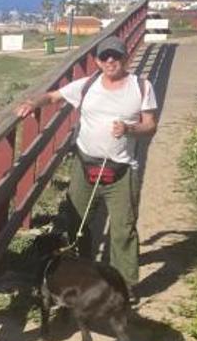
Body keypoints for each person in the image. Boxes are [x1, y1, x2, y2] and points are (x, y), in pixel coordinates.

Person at [15, 35, 157, 298]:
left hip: (121, 170)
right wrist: (33, 102)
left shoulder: (141, 86)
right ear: (98, 61)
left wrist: (129, 128)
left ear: (125, 57)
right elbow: (54, 96)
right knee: (76, 223)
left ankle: (124, 286)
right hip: (85, 165)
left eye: (115, 55)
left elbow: (150, 124)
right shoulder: (87, 84)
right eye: (105, 56)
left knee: (123, 229)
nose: (110, 60)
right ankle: (84, 275)